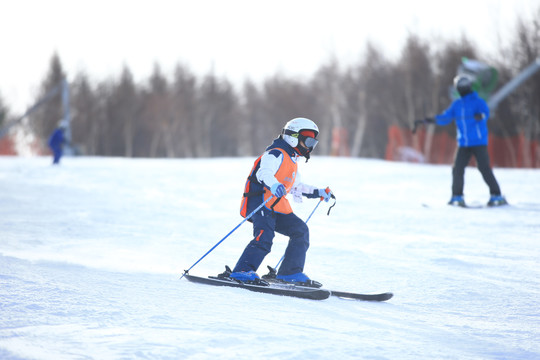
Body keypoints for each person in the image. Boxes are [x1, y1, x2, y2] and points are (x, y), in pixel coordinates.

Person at [229, 117, 333, 285]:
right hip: (259, 202)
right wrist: (274, 184)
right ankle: (242, 271)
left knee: (300, 230)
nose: (310, 146)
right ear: (293, 136)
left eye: (313, 142)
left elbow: (294, 186)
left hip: (276, 206)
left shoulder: (292, 160)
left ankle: (289, 273)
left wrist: (317, 192)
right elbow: (264, 174)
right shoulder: (275, 153)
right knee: (265, 237)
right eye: (307, 140)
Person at [418, 75, 507, 207]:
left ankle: (496, 195)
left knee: (483, 168)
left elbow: (486, 113)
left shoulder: (478, 101)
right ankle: (457, 196)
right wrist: (431, 120)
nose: (462, 89)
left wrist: (480, 116)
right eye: (460, 87)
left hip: (478, 141)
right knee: (457, 169)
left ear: (469, 87)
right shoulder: (457, 104)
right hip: (463, 143)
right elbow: (446, 117)